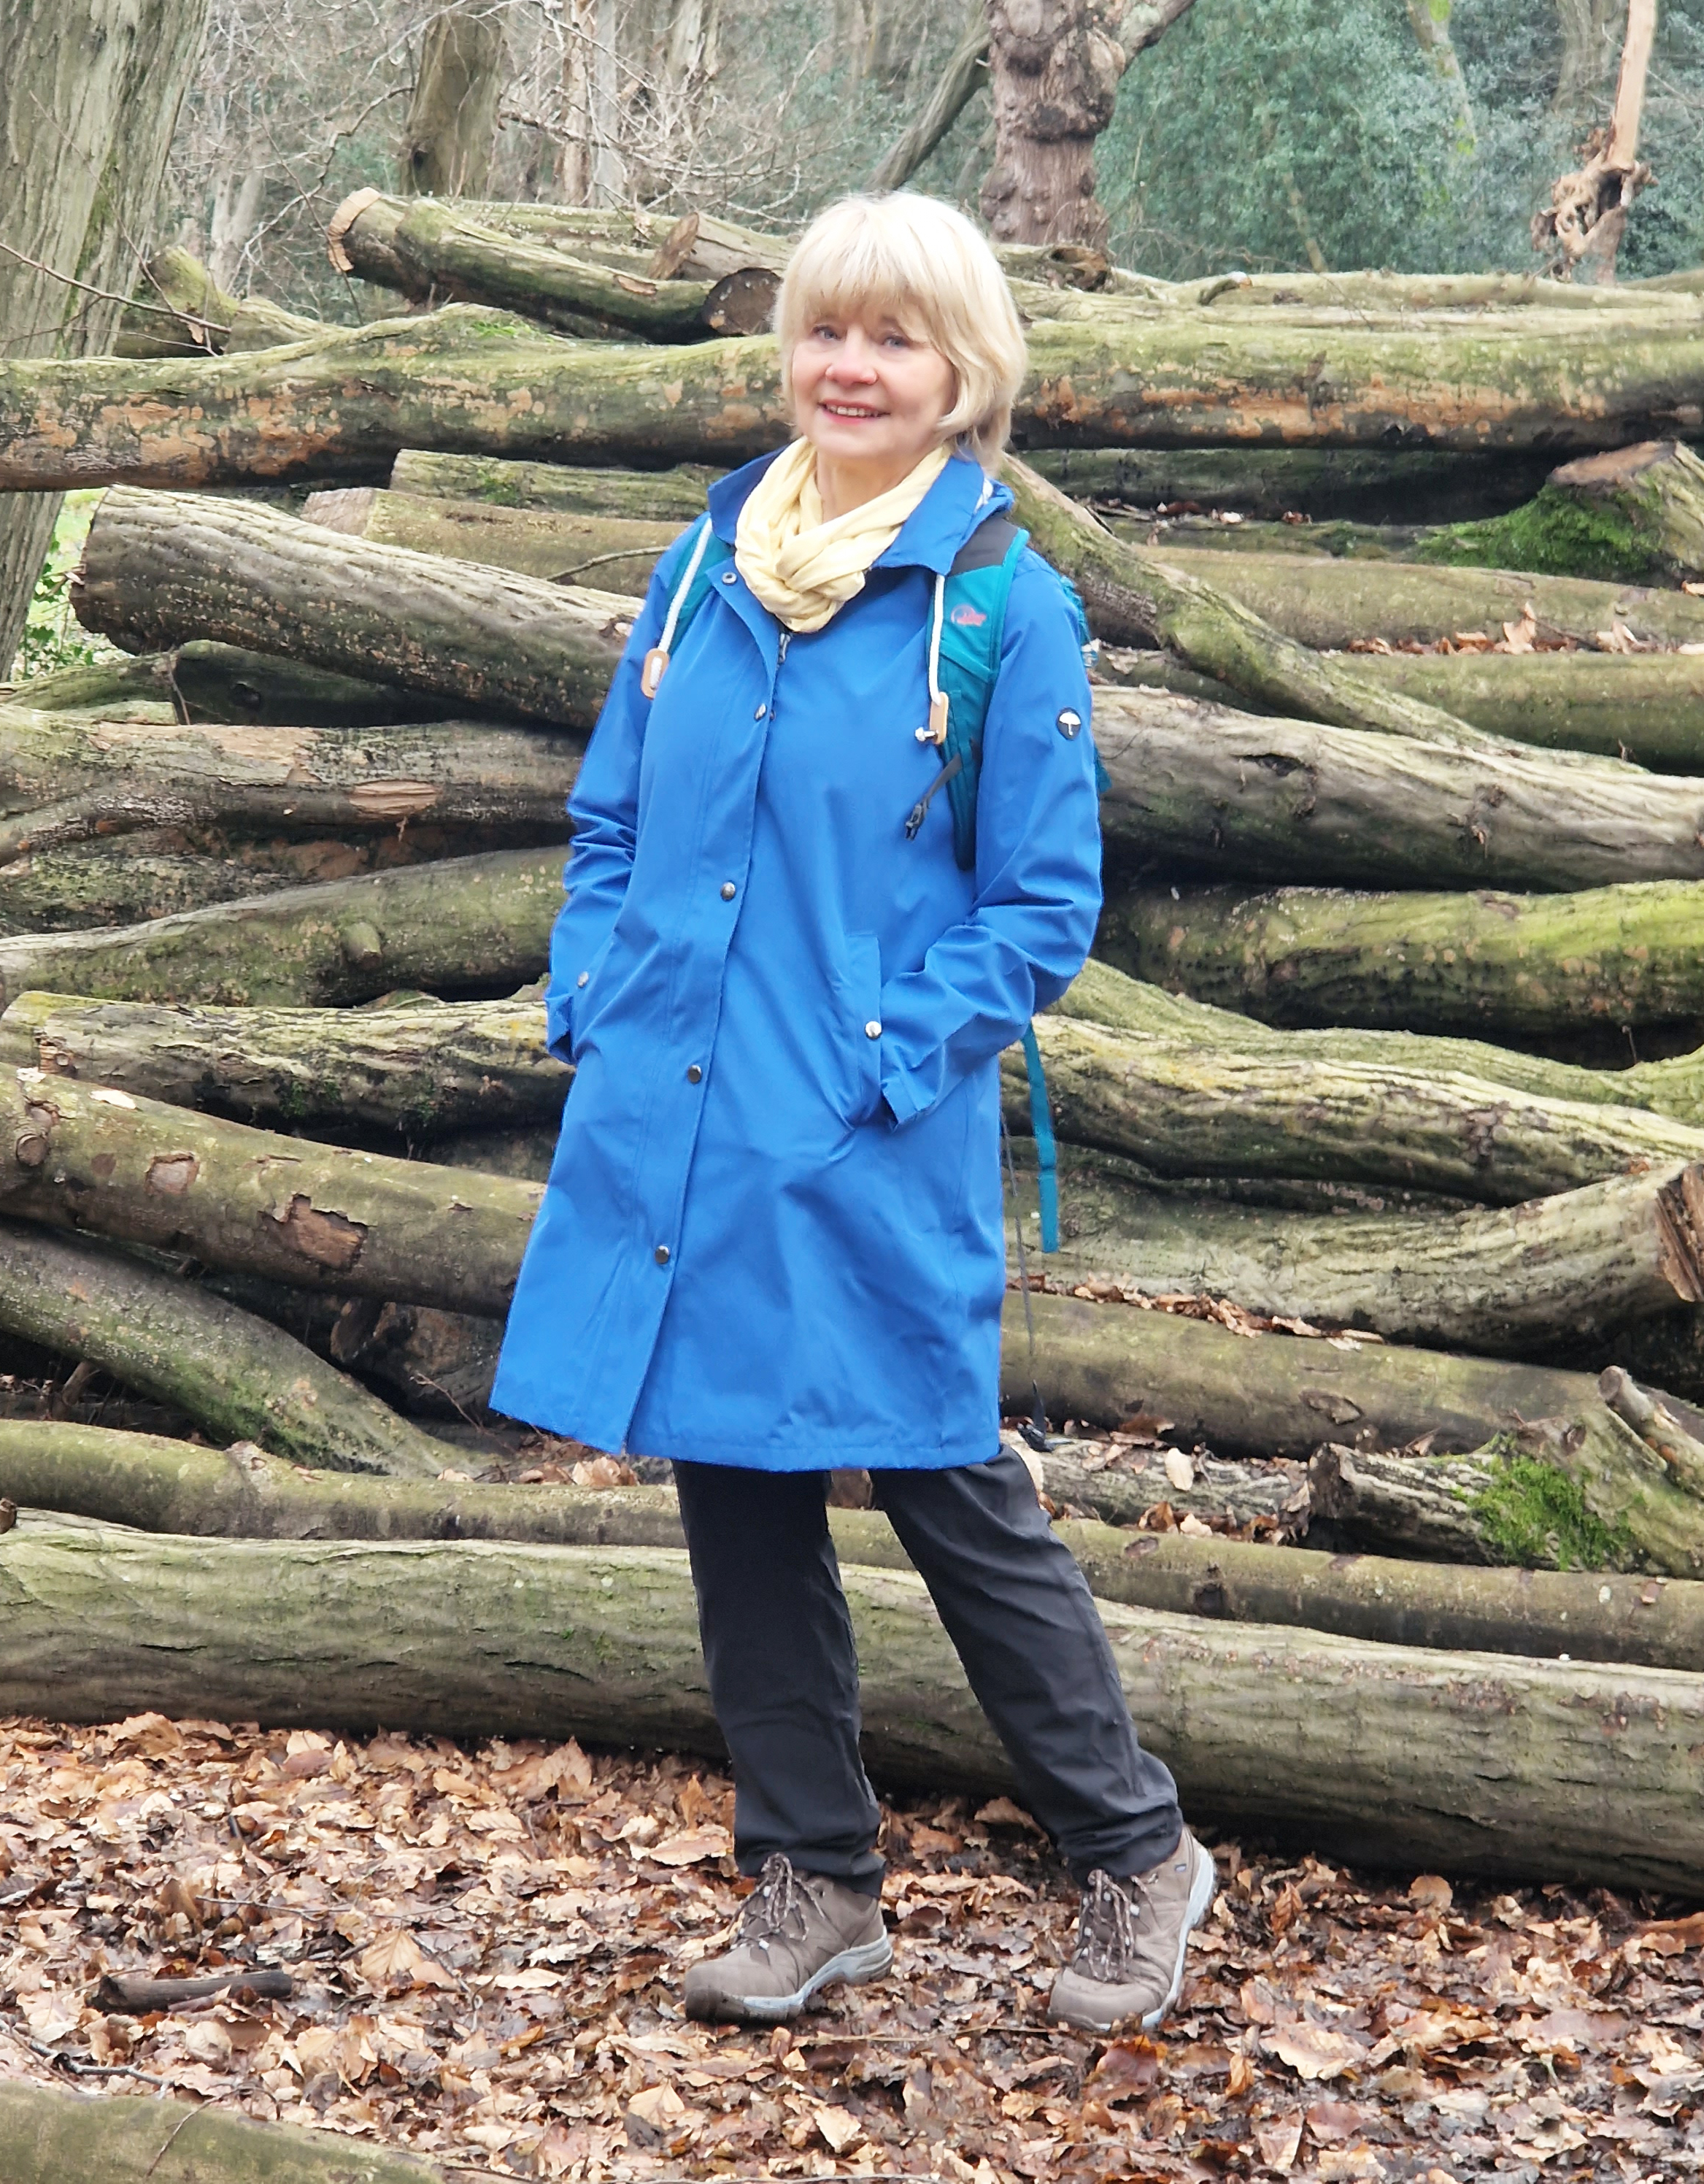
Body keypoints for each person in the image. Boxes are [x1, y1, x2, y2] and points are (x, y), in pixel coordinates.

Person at [489, 190, 1212, 2034]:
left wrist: (884, 1060)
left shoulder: (1002, 606)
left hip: (865, 1127)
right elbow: (610, 821)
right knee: (734, 1486)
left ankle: (1136, 1851)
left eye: (893, 339)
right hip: (682, 1113)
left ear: (962, 372)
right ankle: (809, 1880)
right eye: (826, 331)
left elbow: (1041, 912)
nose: (850, 366)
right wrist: (596, 989)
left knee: (943, 1477)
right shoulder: (701, 564)